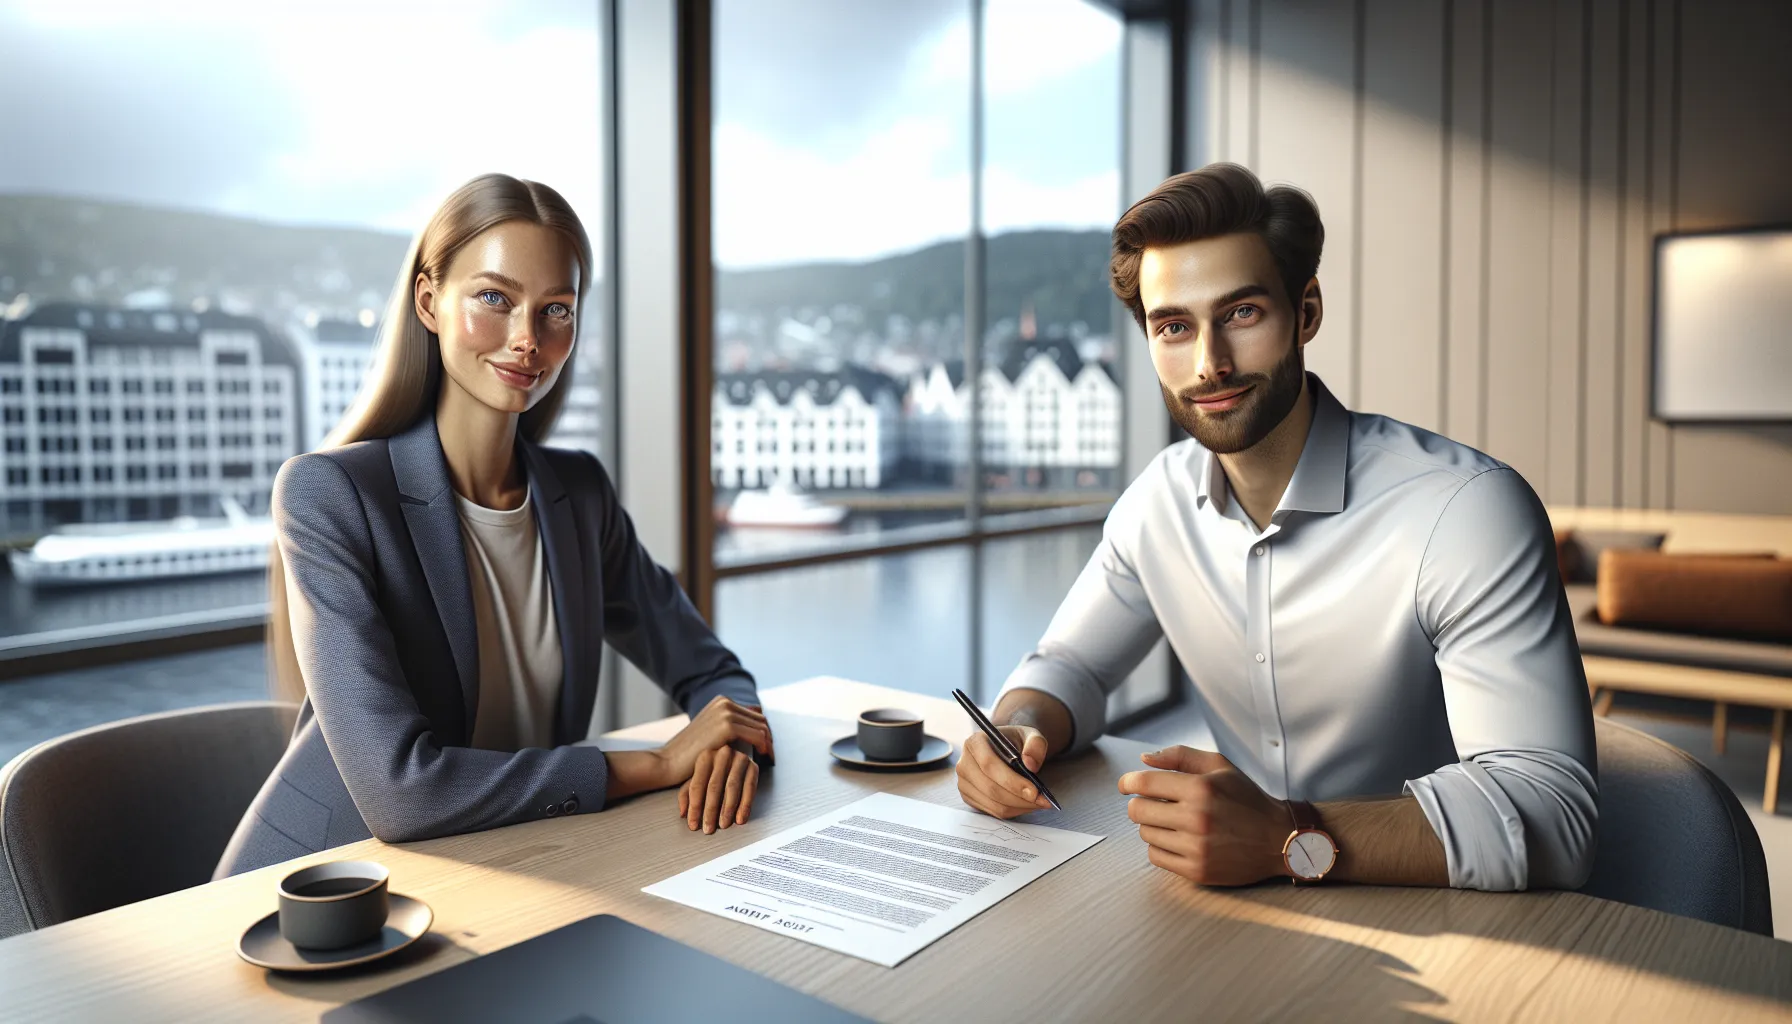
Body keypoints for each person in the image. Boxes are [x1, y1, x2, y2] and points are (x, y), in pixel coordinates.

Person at [955, 163, 1597, 892]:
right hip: (1242, 907)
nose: (1209, 364)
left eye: (1241, 313)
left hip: (1448, 912)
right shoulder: (1157, 503)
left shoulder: (1466, 512)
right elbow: (1070, 666)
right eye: (1174, 327)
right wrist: (1017, 731)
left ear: (1306, 311)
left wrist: (1287, 838)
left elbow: (1553, 817)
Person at [217, 174, 770, 878]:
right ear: (429, 302)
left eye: (556, 310)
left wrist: (729, 744)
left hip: (503, 868)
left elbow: (711, 670)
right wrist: (659, 763)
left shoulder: (580, 496)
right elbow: (402, 793)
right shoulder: (330, 495)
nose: (527, 339)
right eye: (494, 299)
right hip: (319, 889)